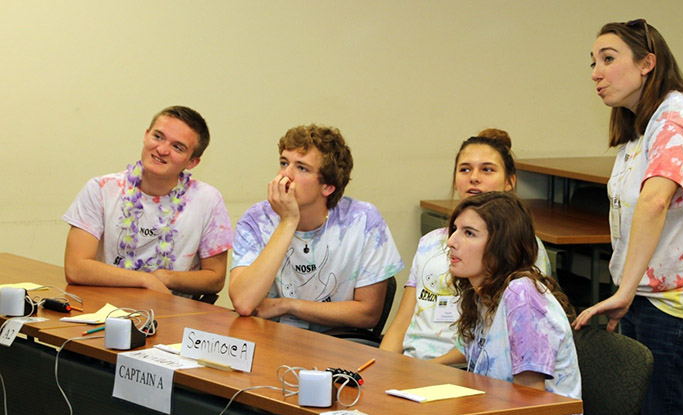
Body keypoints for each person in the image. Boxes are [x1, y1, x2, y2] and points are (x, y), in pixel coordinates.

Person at [573, 19, 683, 415]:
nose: (596, 72)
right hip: (650, 293)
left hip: (677, 301)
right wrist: (628, 288)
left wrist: (624, 290)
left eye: (609, 59)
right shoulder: (643, 125)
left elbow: (655, 200)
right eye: (593, 62)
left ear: (648, 63)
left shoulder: (675, 118)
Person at [380, 129, 552, 359]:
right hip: (413, 363)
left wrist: (427, 370)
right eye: (465, 169)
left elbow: (491, 335)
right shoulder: (430, 242)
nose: (474, 177)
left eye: (487, 169)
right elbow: (402, 322)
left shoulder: (521, 245)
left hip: (466, 367)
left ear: (510, 182)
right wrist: (383, 364)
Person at [433, 192, 581, 415]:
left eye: (469, 233)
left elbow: (529, 402)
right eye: (455, 229)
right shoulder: (481, 294)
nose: (451, 241)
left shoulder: (522, 295)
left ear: (501, 246)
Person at [229, 124, 403, 332]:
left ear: (327, 187)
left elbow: (368, 315)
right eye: (284, 163)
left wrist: (288, 305)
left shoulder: (363, 220)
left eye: (301, 168)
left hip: (335, 345)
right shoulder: (256, 220)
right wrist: (288, 222)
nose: (286, 175)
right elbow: (243, 302)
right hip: (270, 338)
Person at [63, 106, 233, 298]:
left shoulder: (208, 200)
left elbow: (215, 278)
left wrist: (166, 278)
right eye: (158, 137)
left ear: (192, 162)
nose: (161, 150)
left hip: (175, 314)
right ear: (146, 135)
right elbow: (75, 268)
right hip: (106, 308)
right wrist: (145, 280)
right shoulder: (100, 189)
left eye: (177, 147)